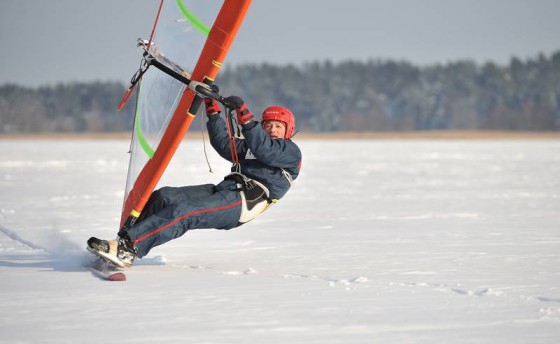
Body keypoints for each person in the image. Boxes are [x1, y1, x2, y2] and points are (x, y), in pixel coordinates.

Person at [87, 94, 302, 267]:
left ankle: (129, 249)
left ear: (288, 130)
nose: (272, 130)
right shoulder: (253, 147)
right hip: (226, 189)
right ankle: (121, 240)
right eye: (268, 126)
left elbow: (266, 150)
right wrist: (212, 110)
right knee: (166, 195)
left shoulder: (290, 152)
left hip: (243, 203)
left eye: (278, 126)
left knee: (185, 212)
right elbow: (223, 145)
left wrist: (245, 116)